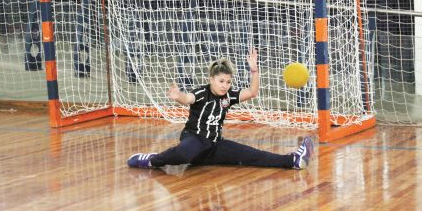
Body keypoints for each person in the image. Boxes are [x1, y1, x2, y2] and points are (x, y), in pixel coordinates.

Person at [128, 49, 314, 170]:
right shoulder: (202, 92)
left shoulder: (228, 96)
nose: (225, 85)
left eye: (228, 82)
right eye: (221, 81)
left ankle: (293, 161)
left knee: (253, 155)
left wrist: (254, 71)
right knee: (185, 152)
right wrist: (179, 97)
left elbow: (252, 92)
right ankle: (152, 160)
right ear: (211, 79)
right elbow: (188, 98)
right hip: (194, 139)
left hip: (214, 145)